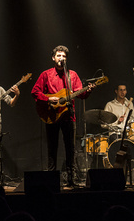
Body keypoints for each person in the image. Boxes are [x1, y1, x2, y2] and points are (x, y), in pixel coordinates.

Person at [31, 45, 95, 187]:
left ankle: (71, 180)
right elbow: (35, 92)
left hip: (68, 116)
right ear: (53, 58)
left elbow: (81, 94)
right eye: (59, 56)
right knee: (52, 148)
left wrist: (88, 90)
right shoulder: (46, 74)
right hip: (51, 115)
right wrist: (49, 99)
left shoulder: (72, 75)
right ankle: (51, 180)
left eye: (64, 56)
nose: (61, 58)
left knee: (70, 149)